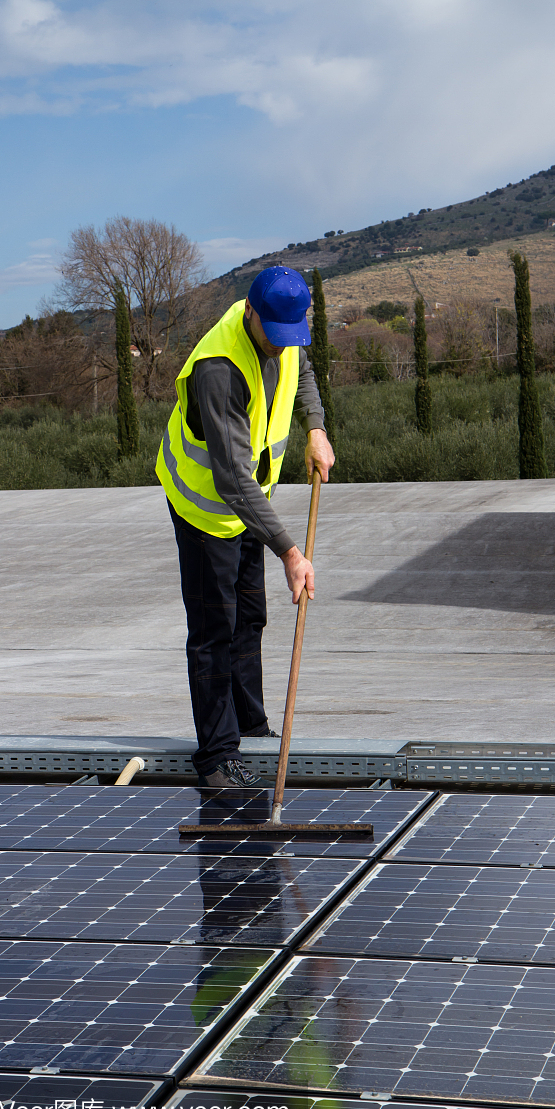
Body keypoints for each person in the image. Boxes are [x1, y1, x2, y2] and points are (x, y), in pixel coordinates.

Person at [156, 265, 335, 788]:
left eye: (291, 338)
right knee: (214, 628)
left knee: (249, 616)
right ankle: (216, 755)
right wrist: (290, 552)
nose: (282, 348)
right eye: (273, 338)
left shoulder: (284, 328)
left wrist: (316, 427)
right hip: (206, 507)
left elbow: (303, 372)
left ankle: (251, 730)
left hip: (247, 505)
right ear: (250, 312)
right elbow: (232, 478)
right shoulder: (220, 369)